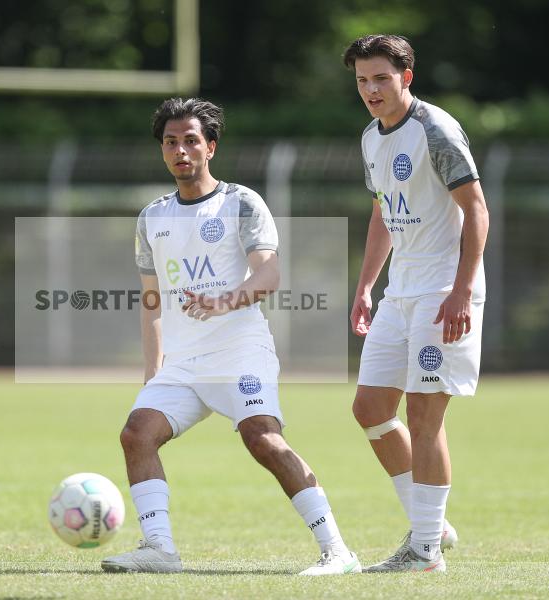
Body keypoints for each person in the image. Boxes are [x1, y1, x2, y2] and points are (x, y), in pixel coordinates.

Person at [101, 97, 359, 576]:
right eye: (171, 142)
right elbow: (152, 301)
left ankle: (338, 552)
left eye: (191, 141)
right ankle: (159, 549)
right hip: (182, 364)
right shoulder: (151, 218)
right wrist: (152, 371)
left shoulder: (240, 202)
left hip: (240, 352)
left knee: (263, 440)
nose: (181, 150)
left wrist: (223, 301)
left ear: (210, 147)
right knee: (137, 434)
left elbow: (269, 275)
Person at [344, 35, 489, 573]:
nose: (370, 89)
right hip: (399, 292)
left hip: (440, 292)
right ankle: (433, 526)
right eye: (362, 80)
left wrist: (460, 290)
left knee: (424, 415)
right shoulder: (370, 138)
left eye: (381, 78)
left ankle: (425, 551)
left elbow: (476, 210)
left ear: (407, 76)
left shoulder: (436, 129)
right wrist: (365, 285)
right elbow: (384, 210)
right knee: (370, 409)